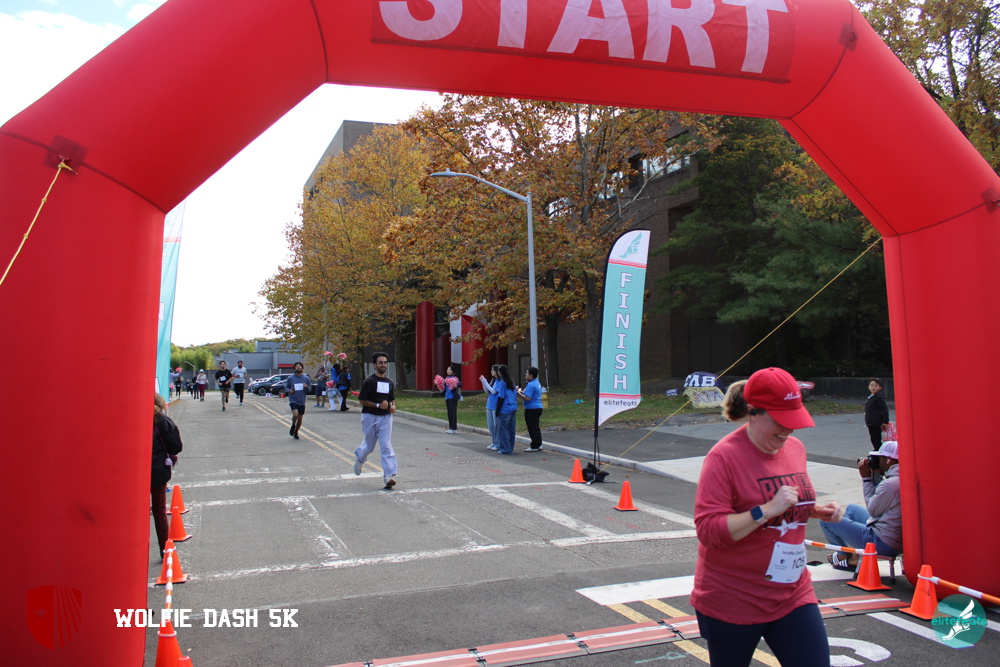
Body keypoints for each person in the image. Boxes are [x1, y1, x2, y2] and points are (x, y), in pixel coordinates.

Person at [691, 368, 839, 667]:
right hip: (734, 598)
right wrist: (765, 510)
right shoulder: (723, 457)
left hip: (792, 592)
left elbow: (787, 500)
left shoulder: (794, 448)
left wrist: (813, 510)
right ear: (753, 412)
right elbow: (708, 531)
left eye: (793, 421)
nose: (788, 431)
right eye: (780, 421)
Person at [820, 440, 903, 570]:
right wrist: (876, 476)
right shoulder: (901, 478)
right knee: (852, 509)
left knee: (826, 518)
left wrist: (866, 479)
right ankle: (854, 556)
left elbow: (872, 510)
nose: (877, 462)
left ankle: (844, 556)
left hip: (882, 542)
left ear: (889, 460)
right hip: (894, 538)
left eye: (879, 458)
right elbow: (880, 504)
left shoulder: (891, 485)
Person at [353, 352, 398, 489]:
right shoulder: (369, 382)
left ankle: (389, 476)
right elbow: (362, 401)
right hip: (370, 417)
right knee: (369, 446)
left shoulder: (389, 382)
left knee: (386, 445)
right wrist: (378, 405)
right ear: (374, 365)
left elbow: (391, 399)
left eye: (385, 362)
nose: (383, 365)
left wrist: (393, 406)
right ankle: (360, 458)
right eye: (380, 362)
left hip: (386, 417)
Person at [151, 393, 183, 559]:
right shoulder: (162, 420)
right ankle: (164, 549)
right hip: (158, 471)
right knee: (159, 510)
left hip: (134, 475)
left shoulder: (131, 417)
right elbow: (176, 446)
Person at [493, 364, 518, 455]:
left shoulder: (503, 383)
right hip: (513, 407)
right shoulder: (511, 382)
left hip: (505, 409)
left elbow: (501, 397)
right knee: (511, 429)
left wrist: (497, 410)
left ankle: (505, 449)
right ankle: (510, 447)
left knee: (504, 429)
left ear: (500, 372)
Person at [517, 366, 543, 452]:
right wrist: (521, 392)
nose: (526, 374)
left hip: (531, 408)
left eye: (527, 373)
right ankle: (539, 444)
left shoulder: (531, 385)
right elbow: (528, 394)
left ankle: (534, 445)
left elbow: (528, 398)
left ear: (531, 375)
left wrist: (518, 393)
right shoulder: (536, 383)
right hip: (537, 407)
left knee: (532, 427)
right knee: (536, 427)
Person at [283, 362, 311, 439]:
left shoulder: (306, 378)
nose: (298, 367)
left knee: (300, 418)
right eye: (296, 366)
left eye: (300, 366)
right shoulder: (290, 378)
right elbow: (286, 387)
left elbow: (309, 390)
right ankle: (293, 425)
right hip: (293, 399)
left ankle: (296, 432)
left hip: (302, 400)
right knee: (295, 414)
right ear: (294, 369)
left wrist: (306, 387)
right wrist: (289, 391)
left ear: (302, 368)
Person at [864, 378, 890, 450]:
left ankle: (879, 451)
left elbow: (884, 409)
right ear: (868, 387)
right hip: (870, 421)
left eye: (876, 386)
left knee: (876, 439)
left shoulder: (879, 397)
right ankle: (877, 450)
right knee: (873, 438)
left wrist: (885, 421)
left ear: (880, 387)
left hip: (876, 421)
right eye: (872, 386)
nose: (873, 388)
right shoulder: (870, 397)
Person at [480, 365, 501, 451]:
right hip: (489, 404)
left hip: (495, 405)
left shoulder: (500, 381)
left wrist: (485, 381)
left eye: (493, 370)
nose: (491, 371)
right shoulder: (493, 380)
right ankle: (494, 442)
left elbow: (493, 391)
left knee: (496, 426)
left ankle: (498, 443)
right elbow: (487, 390)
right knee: (491, 426)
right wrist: (483, 382)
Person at [442, 365, 462, 433]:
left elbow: (460, 384)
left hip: (453, 397)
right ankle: (450, 428)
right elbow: (444, 387)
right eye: (447, 369)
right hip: (447, 397)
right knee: (449, 413)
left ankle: (454, 428)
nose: (448, 371)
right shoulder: (446, 378)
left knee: (453, 412)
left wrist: (455, 384)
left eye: (449, 370)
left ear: (453, 371)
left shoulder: (455, 378)